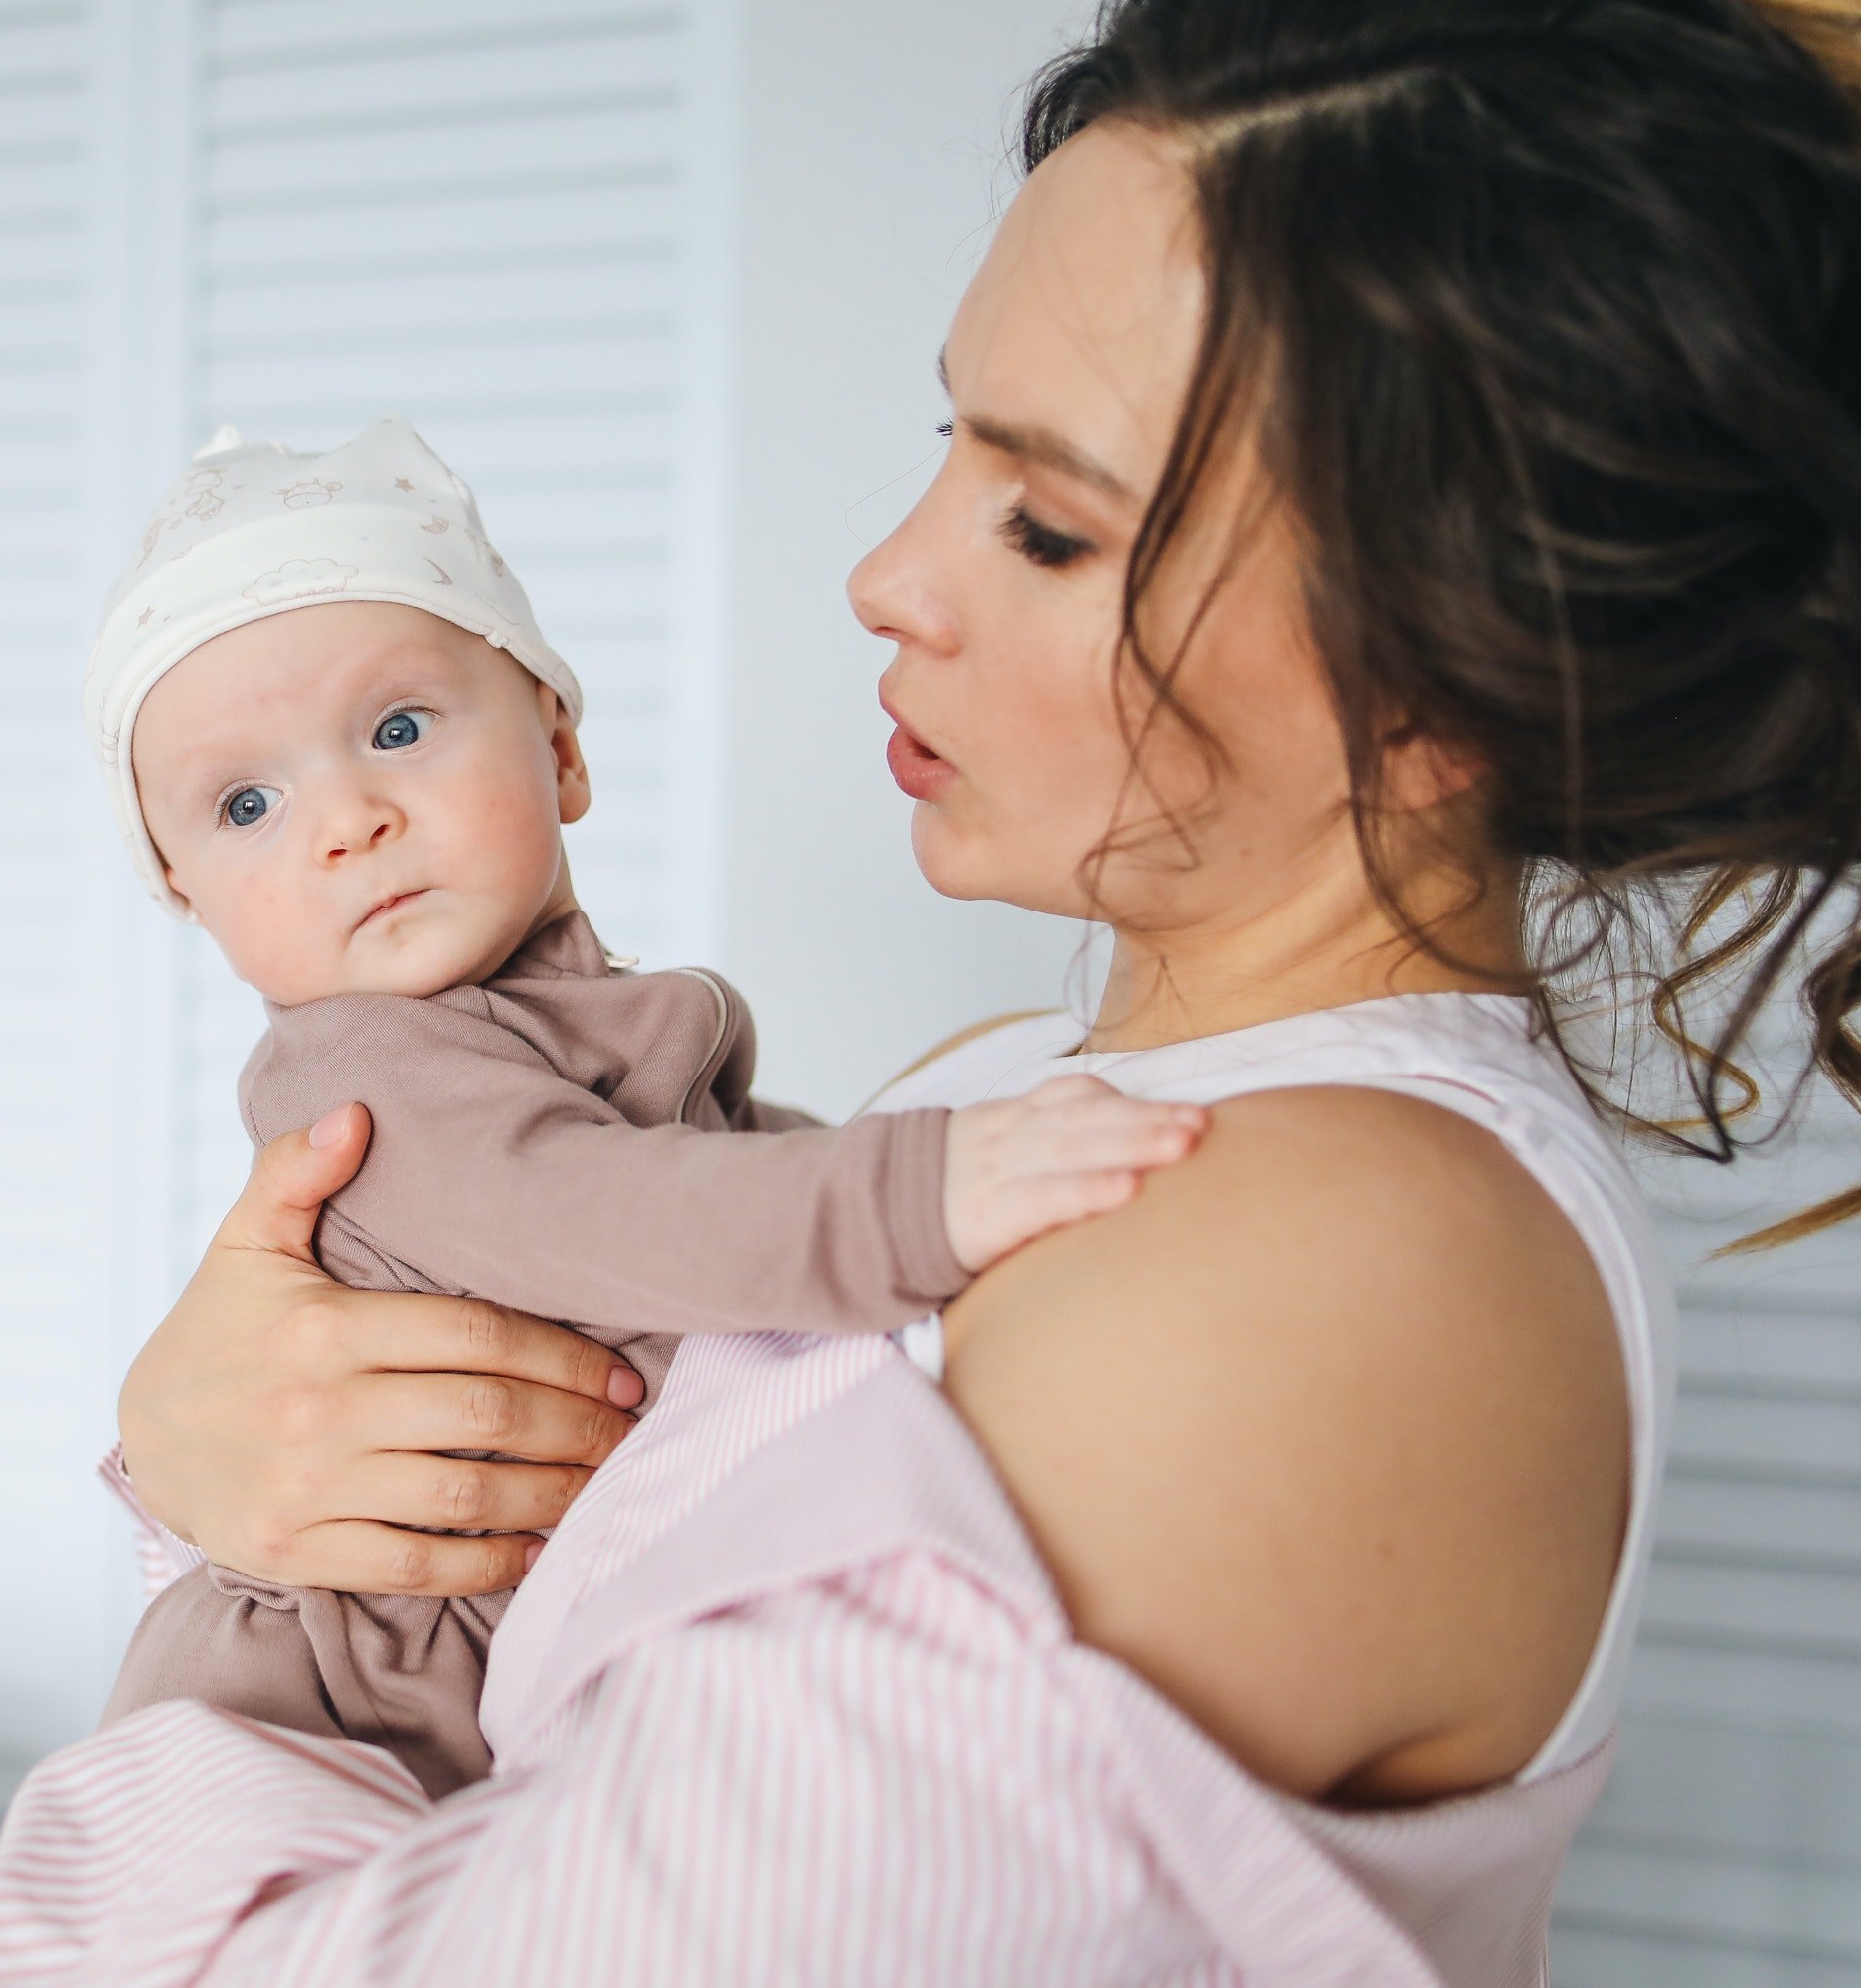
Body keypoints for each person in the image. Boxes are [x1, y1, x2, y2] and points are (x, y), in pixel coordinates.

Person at [0, 0, 1861, 1978]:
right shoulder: (1028, 1074)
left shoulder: (1326, 1266)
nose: (883, 572)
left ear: (1464, 669)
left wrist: (148, 1739)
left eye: (1045, 520)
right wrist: (212, 1445)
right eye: (951, 440)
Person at [85, 417, 1205, 1798]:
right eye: (247, 802)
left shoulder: (567, 1021)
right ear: (189, 902)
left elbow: (705, 1189)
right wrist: (924, 1192)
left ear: (560, 750)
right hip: (313, 1725)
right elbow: (595, 1212)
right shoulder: (364, 1069)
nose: (346, 817)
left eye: (395, 728)